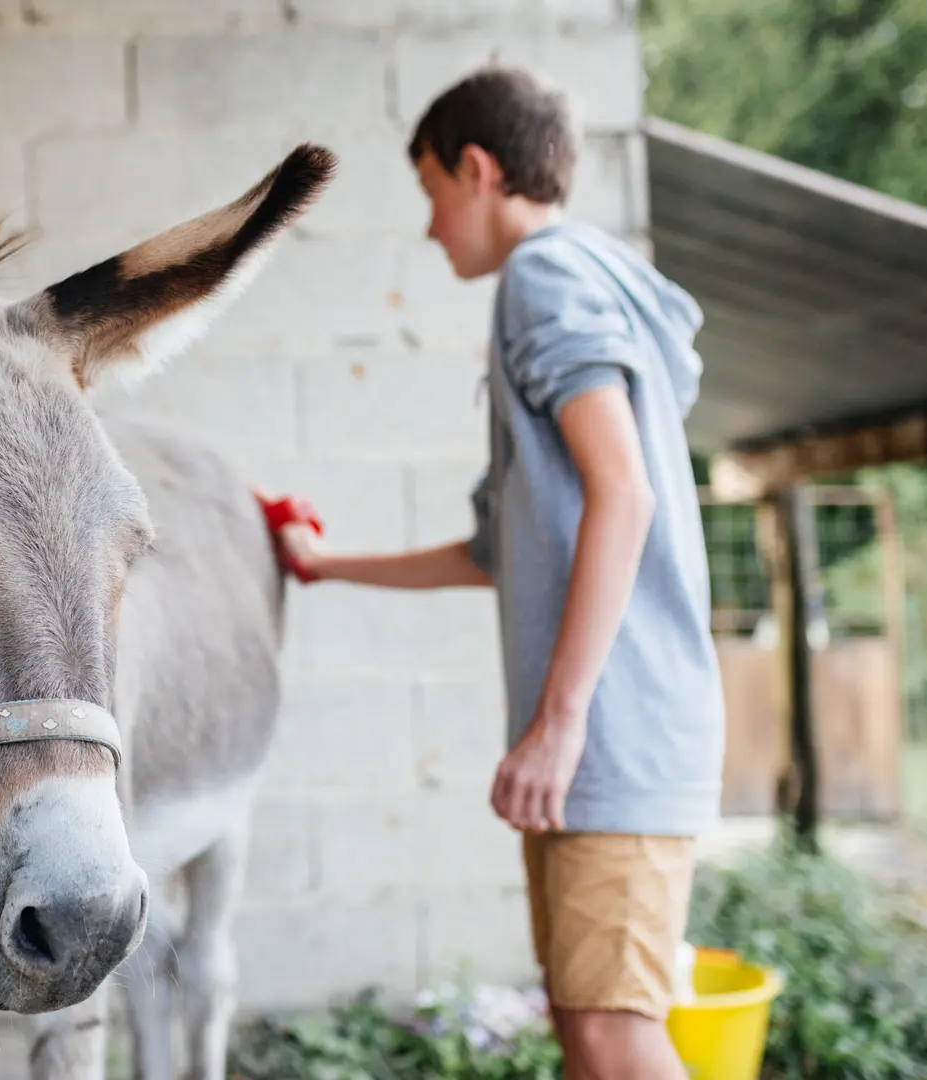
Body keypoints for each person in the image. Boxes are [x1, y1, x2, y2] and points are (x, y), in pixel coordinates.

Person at [260, 66, 725, 1080]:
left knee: (611, 1029)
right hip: (605, 741)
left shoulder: (545, 277)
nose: (430, 229)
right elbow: (495, 556)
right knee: (583, 1020)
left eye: (431, 193)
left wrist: (558, 728)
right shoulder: (574, 285)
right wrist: (328, 566)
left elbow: (625, 495)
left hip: (613, 734)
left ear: (478, 170)